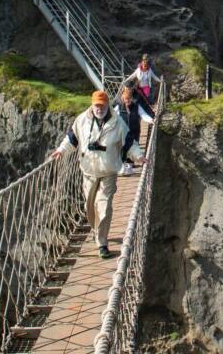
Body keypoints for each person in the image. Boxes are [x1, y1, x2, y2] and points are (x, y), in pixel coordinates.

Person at [52, 90, 147, 259]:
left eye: (102, 105)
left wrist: (138, 155)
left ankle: (102, 243)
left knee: (103, 206)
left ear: (107, 105)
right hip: (88, 172)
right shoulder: (81, 120)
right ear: (92, 104)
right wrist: (61, 150)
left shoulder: (117, 123)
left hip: (108, 171)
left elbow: (129, 142)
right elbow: (71, 139)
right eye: (96, 105)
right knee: (90, 207)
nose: (99, 108)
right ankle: (96, 231)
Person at [114, 84, 155, 177]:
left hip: (134, 131)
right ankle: (124, 166)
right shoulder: (119, 108)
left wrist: (151, 120)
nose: (127, 101)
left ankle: (130, 166)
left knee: (134, 146)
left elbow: (143, 114)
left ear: (132, 98)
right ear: (123, 99)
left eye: (129, 99)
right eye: (125, 99)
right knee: (123, 149)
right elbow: (112, 117)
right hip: (123, 133)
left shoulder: (136, 106)